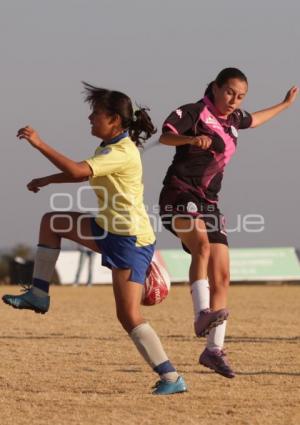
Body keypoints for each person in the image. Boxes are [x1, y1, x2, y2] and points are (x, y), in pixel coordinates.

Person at [2, 84, 187, 395]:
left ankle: (171, 378)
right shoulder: (107, 147)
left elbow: (77, 171)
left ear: (114, 119)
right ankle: (39, 293)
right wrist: (48, 180)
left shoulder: (121, 151)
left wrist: (38, 143)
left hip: (129, 240)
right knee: (53, 222)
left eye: (96, 113)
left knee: (128, 315)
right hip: (108, 230)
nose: (90, 117)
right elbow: (84, 172)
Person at [158, 68, 299, 378]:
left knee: (222, 275)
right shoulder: (194, 112)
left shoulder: (234, 120)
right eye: (230, 92)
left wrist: (284, 105)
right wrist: (192, 138)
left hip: (209, 203)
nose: (234, 100)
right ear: (216, 87)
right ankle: (200, 315)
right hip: (178, 194)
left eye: (241, 96)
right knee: (203, 247)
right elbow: (165, 136)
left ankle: (213, 350)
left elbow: (255, 120)